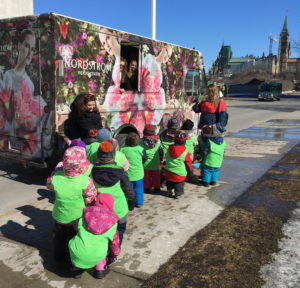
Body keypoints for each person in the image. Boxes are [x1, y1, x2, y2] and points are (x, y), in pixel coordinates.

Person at [1, 29, 47, 156]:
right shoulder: (8, 75)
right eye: (27, 46)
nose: (29, 53)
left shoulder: (29, 82)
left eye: (32, 49)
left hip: (26, 129)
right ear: (19, 45)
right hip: (12, 127)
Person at [46, 146, 98, 260]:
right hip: (77, 217)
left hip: (60, 215)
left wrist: (56, 171)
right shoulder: (86, 181)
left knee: (58, 237)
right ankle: (72, 258)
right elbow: (90, 198)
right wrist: (87, 203)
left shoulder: (55, 177)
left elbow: (49, 185)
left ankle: (58, 256)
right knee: (74, 238)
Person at [92, 140, 135, 246]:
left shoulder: (92, 172)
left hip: (101, 211)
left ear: (98, 156)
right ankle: (116, 247)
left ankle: (105, 249)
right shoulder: (120, 172)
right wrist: (131, 201)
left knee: (104, 231)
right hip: (119, 209)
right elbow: (128, 190)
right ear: (113, 156)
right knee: (120, 229)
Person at [68, 193, 120, 279]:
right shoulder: (112, 223)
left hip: (77, 252)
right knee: (102, 248)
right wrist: (115, 254)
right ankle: (100, 269)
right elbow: (115, 243)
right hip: (97, 254)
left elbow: (76, 227)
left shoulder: (84, 216)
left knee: (77, 242)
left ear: (96, 201)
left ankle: (76, 269)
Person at [120, 133, 148, 208]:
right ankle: (139, 202)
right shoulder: (141, 149)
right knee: (139, 188)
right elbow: (145, 158)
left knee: (127, 190)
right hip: (138, 174)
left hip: (127, 174)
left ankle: (127, 203)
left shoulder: (123, 149)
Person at [165, 131, 193, 199]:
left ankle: (169, 192)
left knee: (169, 183)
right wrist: (191, 172)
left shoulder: (169, 149)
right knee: (179, 185)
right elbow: (188, 164)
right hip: (180, 175)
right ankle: (178, 194)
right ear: (184, 141)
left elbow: (166, 158)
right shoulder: (186, 152)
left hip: (168, 172)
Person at [140, 124, 164, 194]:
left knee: (146, 177)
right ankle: (157, 188)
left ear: (144, 132)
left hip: (145, 164)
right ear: (154, 132)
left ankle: (146, 188)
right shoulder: (158, 141)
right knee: (156, 176)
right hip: (156, 163)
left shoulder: (140, 142)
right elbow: (161, 151)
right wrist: (161, 159)